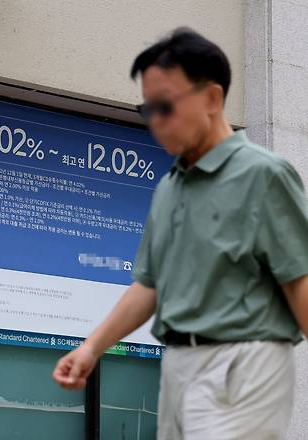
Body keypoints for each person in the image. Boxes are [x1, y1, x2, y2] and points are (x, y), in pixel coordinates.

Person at [52, 27, 308, 440]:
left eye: (165, 106)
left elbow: (300, 281)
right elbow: (149, 285)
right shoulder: (170, 187)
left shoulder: (263, 174)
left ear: (211, 98)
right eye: (147, 108)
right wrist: (91, 348)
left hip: (244, 362)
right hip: (177, 364)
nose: (155, 121)